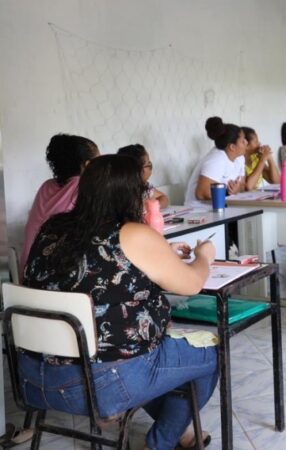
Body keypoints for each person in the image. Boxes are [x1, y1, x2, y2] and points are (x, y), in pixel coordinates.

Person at [22, 155, 218, 450]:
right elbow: (192, 284)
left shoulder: (53, 227)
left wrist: (162, 253)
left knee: (155, 361)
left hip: (35, 379)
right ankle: (161, 442)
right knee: (212, 354)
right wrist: (205, 256)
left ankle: (177, 433)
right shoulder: (132, 233)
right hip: (103, 383)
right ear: (130, 192)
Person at [20, 133, 99, 274]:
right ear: (88, 165)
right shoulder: (86, 187)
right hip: (61, 276)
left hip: (28, 272)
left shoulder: (46, 186)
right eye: (99, 161)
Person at [184, 116, 252, 206]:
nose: (247, 142)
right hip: (199, 211)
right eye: (243, 141)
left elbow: (242, 184)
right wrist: (228, 192)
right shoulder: (216, 159)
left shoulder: (239, 158)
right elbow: (202, 193)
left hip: (223, 207)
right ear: (232, 147)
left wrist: (237, 189)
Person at [118, 144, 170, 208]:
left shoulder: (144, 186)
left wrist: (151, 207)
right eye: (148, 164)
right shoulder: (119, 190)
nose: (150, 167)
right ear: (136, 170)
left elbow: (164, 198)